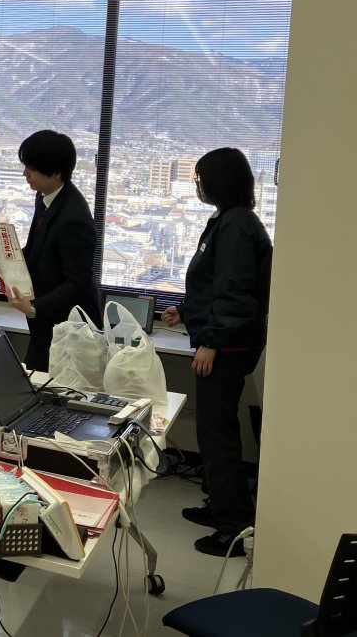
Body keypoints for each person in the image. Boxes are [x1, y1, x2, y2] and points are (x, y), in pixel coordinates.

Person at [161, 148, 271, 557]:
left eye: (200, 178)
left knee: (217, 433)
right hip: (223, 340)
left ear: (218, 181)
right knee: (216, 430)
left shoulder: (238, 225)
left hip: (226, 347)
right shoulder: (228, 220)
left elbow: (234, 292)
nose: (198, 185)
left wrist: (211, 341)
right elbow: (212, 286)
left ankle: (233, 526)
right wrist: (186, 310)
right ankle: (221, 505)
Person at [7, 130, 101, 371]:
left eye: (32, 168)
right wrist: (5, 262)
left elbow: (78, 284)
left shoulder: (74, 218)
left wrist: (34, 307)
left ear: (56, 172)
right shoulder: (45, 196)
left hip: (70, 332)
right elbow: (37, 249)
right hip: (46, 324)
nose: (25, 173)